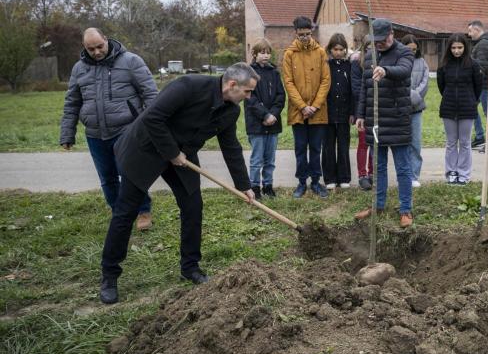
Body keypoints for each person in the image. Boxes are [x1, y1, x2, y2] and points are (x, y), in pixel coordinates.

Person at [99, 63, 258, 304]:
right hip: (146, 148)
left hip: (182, 156)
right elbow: (153, 118)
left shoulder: (230, 111)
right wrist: (172, 152)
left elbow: (231, 148)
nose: (249, 97)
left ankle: (190, 267)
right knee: (126, 212)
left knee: (193, 206)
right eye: (248, 91)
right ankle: (109, 275)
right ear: (232, 85)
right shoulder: (188, 86)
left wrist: (244, 185)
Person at [60, 28, 157, 230]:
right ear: (84, 47)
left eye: (99, 46)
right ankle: (119, 213)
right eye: (91, 48)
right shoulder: (79, 69)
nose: (96, 52)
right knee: (107, 177)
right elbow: (72, 102)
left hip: (127, 129)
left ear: (106, 40)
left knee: (130, 173)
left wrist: (155, 127)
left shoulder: (131, 61)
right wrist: (67, 133)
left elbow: (151, 95)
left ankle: (143, 211)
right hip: (95, 133)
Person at [353, 18, 415, 227]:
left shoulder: (404, 52)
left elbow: (404, 70)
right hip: (376, 121)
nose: (379, 44)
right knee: (378, 168)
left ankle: (406, 210)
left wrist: (386, 71)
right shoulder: (370, 56)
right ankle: (377, 206)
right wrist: (361, 114)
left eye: (382, 40)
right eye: (375, 41)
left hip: (397, 119)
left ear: (391, 34)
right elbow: (365, 88)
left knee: (403, 168)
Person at [281, 16, 331, 199]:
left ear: (312, 32)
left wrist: (315, 105)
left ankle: (316, 182)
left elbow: (326, 80)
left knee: (316, 148)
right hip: (298, 111)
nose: (305, 37)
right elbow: (288, 82)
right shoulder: (289, 54)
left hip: (318, 111)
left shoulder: (320, 52)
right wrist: (303, 106)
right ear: (295, 33)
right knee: (300, 148)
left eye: (308, 34)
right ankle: (302, 182)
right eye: (301, 35)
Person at [437, 33, 483, 185]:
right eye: (454, 48)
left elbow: (478, 87)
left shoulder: (474, 65)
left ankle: (463, 173)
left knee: (464, 142)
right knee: (451, 142)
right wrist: (450, 97)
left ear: (465, 47)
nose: (457, 51)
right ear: (449, 48)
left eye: (460, 47)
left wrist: (471, 100)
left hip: (467, 108)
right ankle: (451, 172)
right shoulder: (443, 66)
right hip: (448, 108)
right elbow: (441, 87)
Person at [244, 38, 285, 199]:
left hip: (273, 123)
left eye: (268, 53)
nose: (265, 56)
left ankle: (268, 185)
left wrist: (273, 114)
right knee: (257, 159)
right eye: (262, 52)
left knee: (270, 159)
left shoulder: (274, 73)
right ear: (254, 54)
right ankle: (255, 187)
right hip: (256, 124)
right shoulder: (248, 73)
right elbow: (249, 98)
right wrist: (265, 114)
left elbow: (280, 96)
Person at [322, 33, 354, 189]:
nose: (339, 52)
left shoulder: (349, 66)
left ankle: (344, 177)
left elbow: (354, 90)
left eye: (342, 49)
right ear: (330, 49)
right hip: (327, 112)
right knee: (328, 146)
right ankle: (329, 178)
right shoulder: (325, 65)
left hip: (345, 112)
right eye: (336, 49)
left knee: (343, 145)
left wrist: (353, 112)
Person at [400, 34, 430, 187]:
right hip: (400, 109)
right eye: (408, 49)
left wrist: (413, 97)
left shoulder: (422, 63)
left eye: (414, 49)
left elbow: (425, 84)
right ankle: (403, 175)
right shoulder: (397, 62)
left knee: (415, 144)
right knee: (401, 144)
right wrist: (408, 96)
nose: (411, 52)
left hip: (416, 110)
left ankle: (414, 175)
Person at [468, 20, 488, 153]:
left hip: (484, 85)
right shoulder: (483, 43)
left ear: (476, 30)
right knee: (472, 109)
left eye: (470, 31)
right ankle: (480, 137)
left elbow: (481, 67)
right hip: (483, 84)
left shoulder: (483, 44)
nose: (469, 34)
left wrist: (474, 83)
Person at [350, 35, 373, 190]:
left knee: (375, 144)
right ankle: (362, 175)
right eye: (369, 47)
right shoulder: (357, 64)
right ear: (365, 48)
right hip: (363, 110)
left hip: (379, 110)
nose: (372, 50)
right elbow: (357, 88)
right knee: (363, 143)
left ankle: (372, 173)